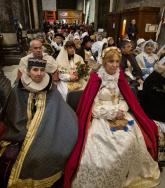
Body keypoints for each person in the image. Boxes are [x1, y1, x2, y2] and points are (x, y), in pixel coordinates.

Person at [64, 47, 160, 188]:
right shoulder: (96, 78)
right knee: (98, 147)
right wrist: (110, 113)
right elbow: (92, 106)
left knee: (129, 139)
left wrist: (120, 109)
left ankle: (125, 174)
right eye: (111, 62)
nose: (115, 65)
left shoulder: (120, 77)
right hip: (101, 117)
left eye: (117, 61)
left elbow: (126, 98)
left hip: (120, 113)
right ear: (103, 62)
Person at [0, 58, 78, 188]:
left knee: (46, 153)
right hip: (21, 132)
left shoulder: (51, 89)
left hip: (47, 130)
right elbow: (13, 116)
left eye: (42, 70)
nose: (39, 73)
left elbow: (59, 112)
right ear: (28, 71)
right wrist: (26, 132)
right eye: (35, 70)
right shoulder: (17, 90)